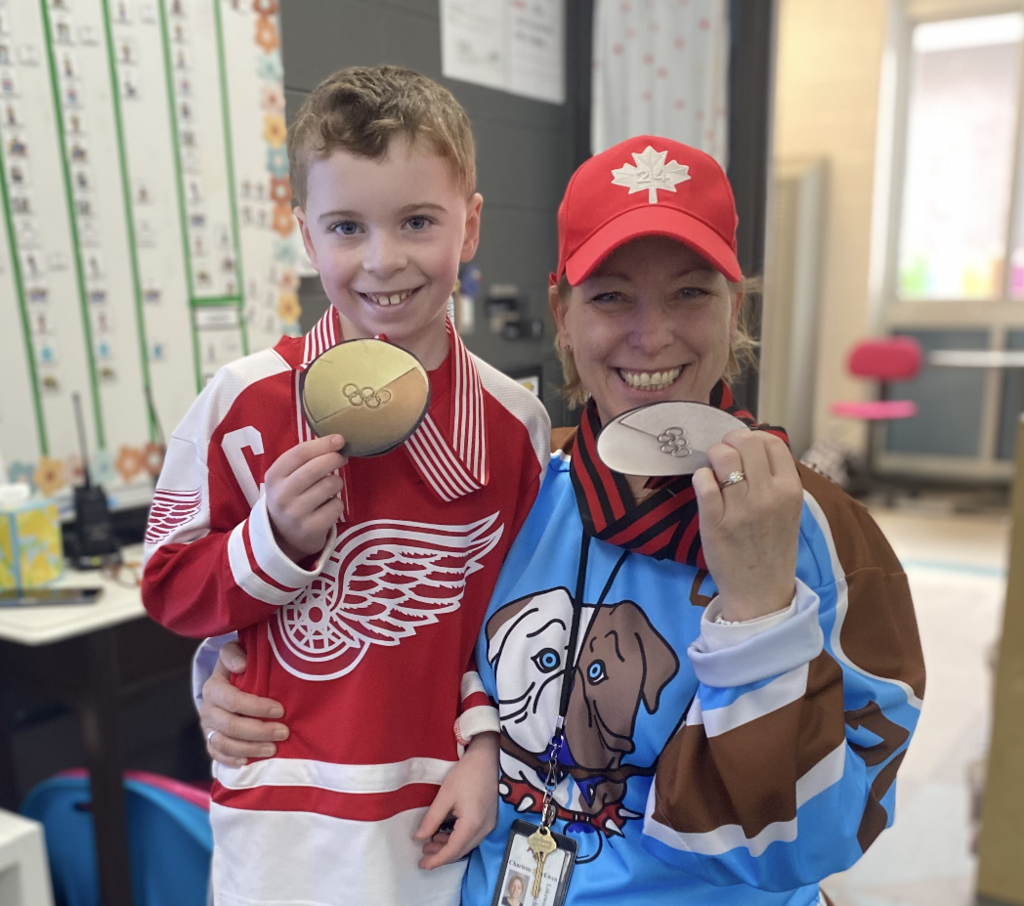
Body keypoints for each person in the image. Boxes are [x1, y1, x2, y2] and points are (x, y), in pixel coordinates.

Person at [199, 135, 926, 906]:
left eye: (690, 294)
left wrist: (757, 615)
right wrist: (228, 675)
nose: (652, 336)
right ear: (562, 315)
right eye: (610, 296)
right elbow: (402, 638)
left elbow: (810, 845)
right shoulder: (515, 486)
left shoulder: (817, 531)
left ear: (733, 307)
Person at [141, 66, 551, 906]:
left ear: (469, 226)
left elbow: (513, 625)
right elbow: (172, 588)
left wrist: (486, 748)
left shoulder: (516, 425)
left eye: (417, 221)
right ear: (304, 234)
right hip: (282, 817)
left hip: (442, 810)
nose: (382, 261)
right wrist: (271, 544)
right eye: (345, 226)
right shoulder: (242, 400)